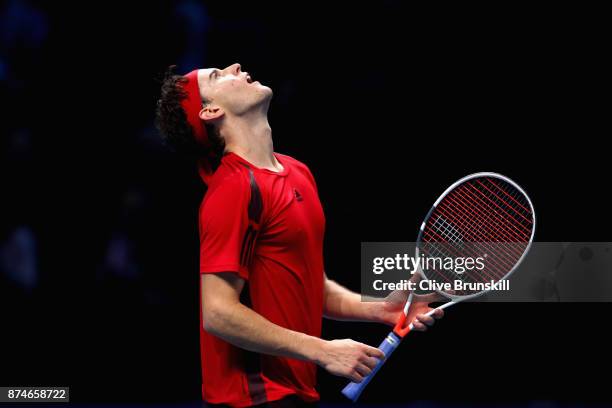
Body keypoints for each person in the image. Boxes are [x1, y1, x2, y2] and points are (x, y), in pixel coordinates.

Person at [155, 63, 444, 407]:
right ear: (211, 110)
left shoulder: (297, 172)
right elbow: (218, 313)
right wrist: (322, 351)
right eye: (218, 75)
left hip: (296, 393)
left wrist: (380, 308)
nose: (235, 67)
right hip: (251, 398)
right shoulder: (233, 190)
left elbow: (312, 287)